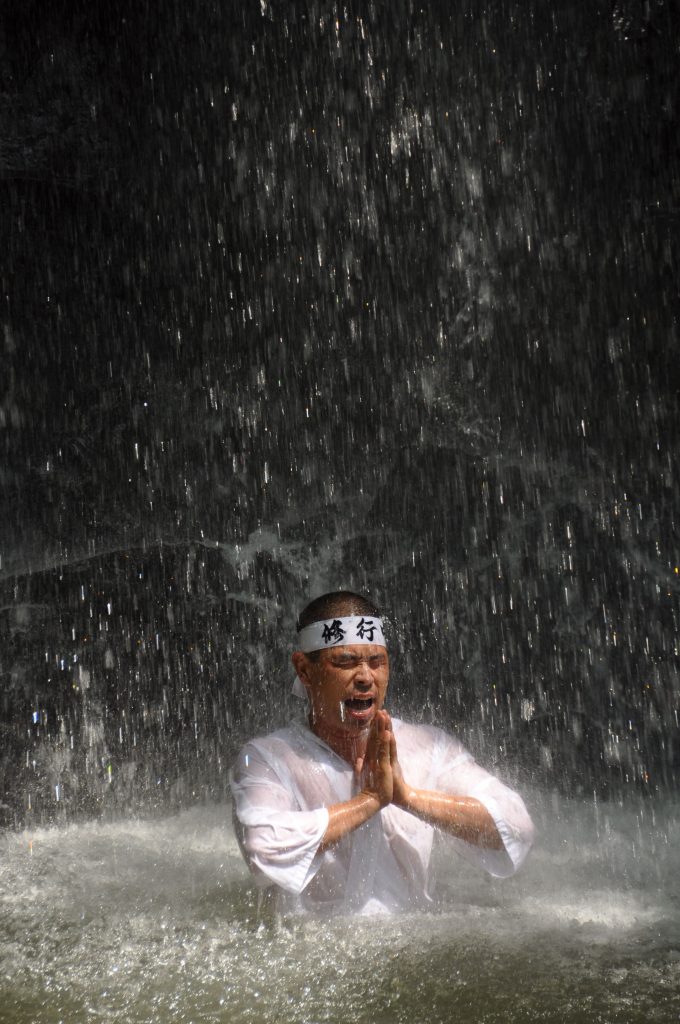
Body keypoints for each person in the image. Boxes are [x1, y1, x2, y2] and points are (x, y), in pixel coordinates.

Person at [230, 591, 534, 915]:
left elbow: (517, 827)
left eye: (377, 662)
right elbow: (263, 851)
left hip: (414, 939)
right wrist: (369, 801)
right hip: (313, 941)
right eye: (346, 662)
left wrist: (408, 797)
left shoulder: (427, 748)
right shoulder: (268, 758)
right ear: (305, 670)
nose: (365, 677)